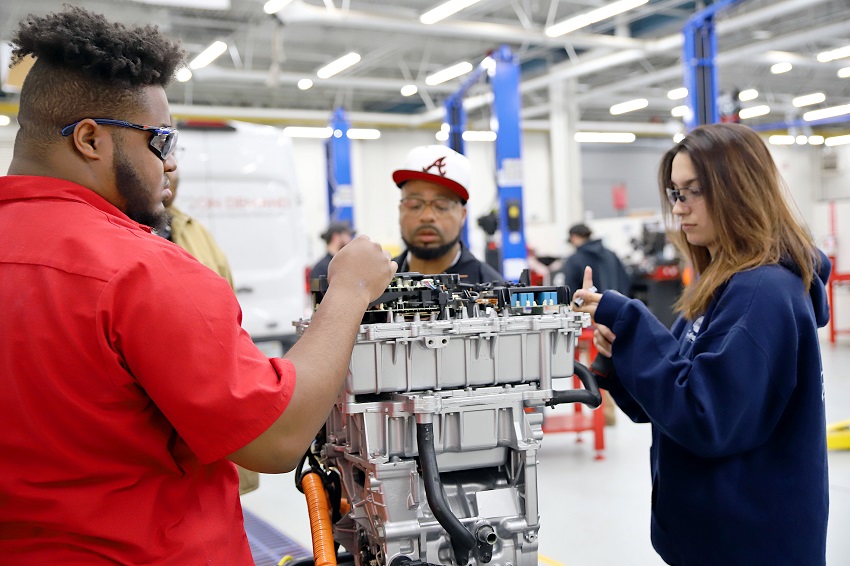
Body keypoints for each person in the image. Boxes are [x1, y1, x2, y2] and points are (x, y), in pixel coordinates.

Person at [0, 7, 396, 564]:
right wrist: (349, 290)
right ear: (90, 139)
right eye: (159, 141)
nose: (169, 164)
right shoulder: (141, 271)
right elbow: (276, 438)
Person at [572, 123, 830, 565]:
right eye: (675, 193)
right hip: (720, 538)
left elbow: (706, 418)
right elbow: (674, 394)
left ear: (740, 191)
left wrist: (630, 321)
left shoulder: (761, 292)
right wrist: (620, 354)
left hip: (751, 546)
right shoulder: (723, 284)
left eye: (694, 192)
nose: (680, 209)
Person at [391, 145, 503, 284]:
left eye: (441, 205)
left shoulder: (491, 288)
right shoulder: (376, 285)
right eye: (414, 204)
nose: (427, 216)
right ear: (401, 210)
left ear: (462, 215)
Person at [161, 156, 234, 288]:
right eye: (161, 151)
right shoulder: (121, 234)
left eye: (173, 152)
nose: (171, 165)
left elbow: (228, 300)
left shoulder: (196, 231)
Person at [553, 222, 631, 297]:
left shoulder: (574, 260)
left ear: (573, 237)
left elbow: (570, 290)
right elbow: (625, 280)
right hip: (617, 305)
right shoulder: (611, 254)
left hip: (589, 308)